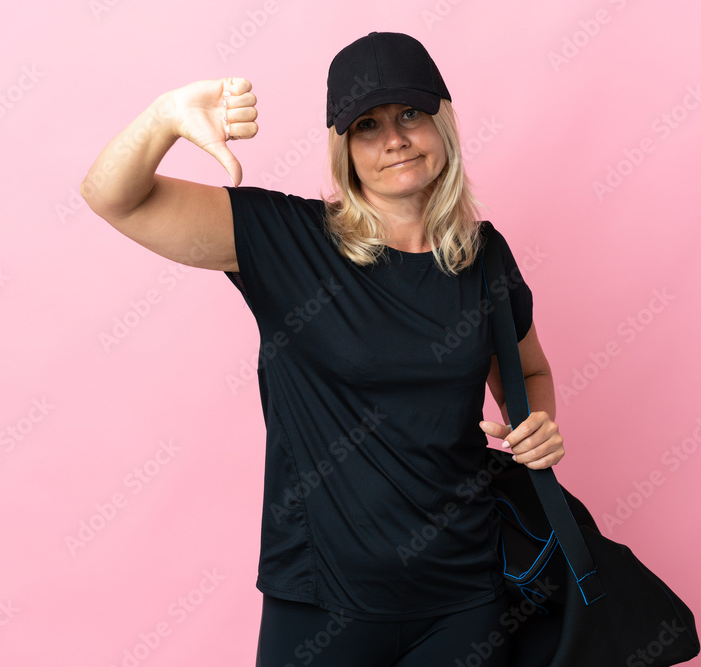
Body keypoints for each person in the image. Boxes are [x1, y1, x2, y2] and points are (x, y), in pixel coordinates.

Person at [81, 31, 565, 667]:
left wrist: (540, 429)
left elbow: (526, 371)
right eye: (367, 125)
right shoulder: (288, 240)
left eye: (411, 115)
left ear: (442, 121)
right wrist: (164, 118)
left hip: (465, 599)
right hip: (321, 603)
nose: (394, 139)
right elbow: (112, 196)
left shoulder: (482, 257)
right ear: (344, 148)